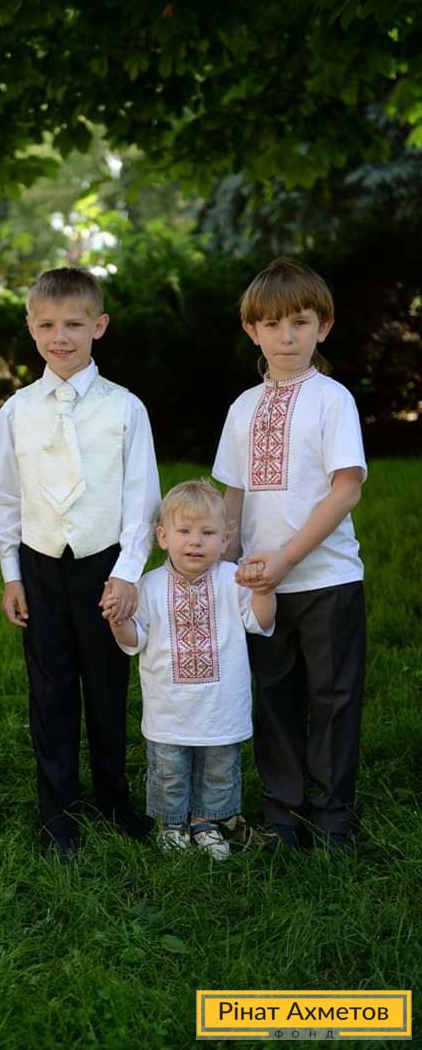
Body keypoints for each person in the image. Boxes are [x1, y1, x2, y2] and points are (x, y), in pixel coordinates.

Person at [0, 267, 160, 860]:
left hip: (103, 564)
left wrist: (128, 571)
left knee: (108, 688)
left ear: (99, 326)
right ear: (31, 328)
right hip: (40, 564)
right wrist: (11, 573)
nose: (60, 337)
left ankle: (114, 800)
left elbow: (142, 498)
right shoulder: (18, 410)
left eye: (73, 324)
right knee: (50, 689)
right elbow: (7, 497)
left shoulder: (125, 408)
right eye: (47, 325)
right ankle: (57, 814)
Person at [212, 257, 367, 852]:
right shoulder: (242, 407)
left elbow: (346, 488)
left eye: (300, 323)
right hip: (260, 586)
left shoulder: (332, 400)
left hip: (327, 578)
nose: (287, 337)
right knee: (274, 697)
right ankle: (282, 812)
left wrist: (288, 558)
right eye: (272, 325)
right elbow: (234, 496)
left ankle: (332, 819)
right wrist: (226, 565)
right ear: (252, 330)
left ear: (322, 327)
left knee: (333, 697)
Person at [108, 480, 276, 860]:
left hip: (221, 705)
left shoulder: (233, 580)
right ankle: (171, 825)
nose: (195, 542)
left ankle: (207, 822)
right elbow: (135, 640)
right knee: (169, 770)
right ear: (162, 537)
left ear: (225, 538)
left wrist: (265, 590)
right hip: (169, 707)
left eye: (208, 533)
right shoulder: (148, 586)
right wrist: (118, 621)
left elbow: (261, 622)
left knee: (219, 769)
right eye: (184, 531)